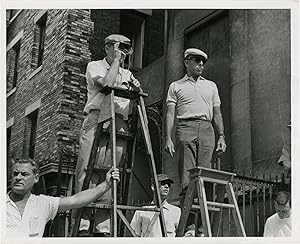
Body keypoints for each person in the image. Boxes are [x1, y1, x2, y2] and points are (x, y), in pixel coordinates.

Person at [73, 34, 141, 236]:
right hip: (96, 117)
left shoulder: (127, 74)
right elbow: (106, 85)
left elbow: (136, 96)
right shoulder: (94, 65)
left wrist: (136, 87)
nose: (124, 51)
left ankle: (102, 227)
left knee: (112, 172)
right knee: (86, 169)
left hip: (118, 120)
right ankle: (83, 224)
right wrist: (118, 61)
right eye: (120, 46)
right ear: (108, 47)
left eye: (127, 47)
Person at [6, 157, 120, 238]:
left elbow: (77, 200)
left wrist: (106, 184)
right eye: (15, 174)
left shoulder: (42, 203)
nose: (18, 177)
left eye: (24, 174)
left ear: (36, 178)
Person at [165, 48, 226, 194]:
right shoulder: (176, 86)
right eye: (196, 61)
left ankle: (205, 213)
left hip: (207, 129)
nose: (200, 65)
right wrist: (168, 137)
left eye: (203, 62)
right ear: (187, 62)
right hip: (185, 128)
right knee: (187, 174)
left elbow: (217, 114)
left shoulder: (211, 86)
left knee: (206, 173)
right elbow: (170, 114)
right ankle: (189, 212)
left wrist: (222, 136)